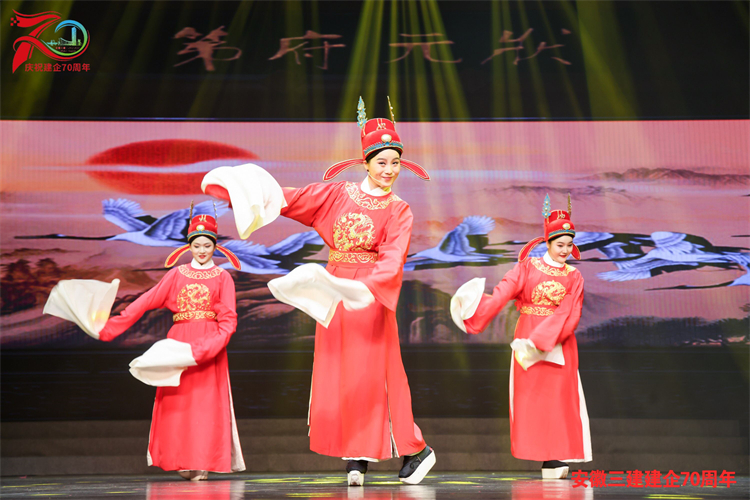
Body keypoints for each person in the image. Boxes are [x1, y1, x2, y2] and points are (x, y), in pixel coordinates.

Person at [201, 97, 436, 486]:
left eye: (395, 163)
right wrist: (240, 191)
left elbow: (393, 259)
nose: (389, 170)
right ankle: (355, 455)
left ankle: (415, 449)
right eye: (382, 162)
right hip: (333, 290)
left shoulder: (399, 209)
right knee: (339, 372)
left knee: (372, 375)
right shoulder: (338, 194)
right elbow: (289, 199)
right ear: (366, 162)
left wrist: (367, 289)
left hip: (367, 293)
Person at [44, 207, 246, 480]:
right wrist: (109, 328)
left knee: (206, 404)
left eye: (207, 246)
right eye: (196, 245)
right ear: (189, 245)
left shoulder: (223, 278)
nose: (201, 251)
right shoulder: (176, 274)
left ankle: (203, 462)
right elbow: (145, 302)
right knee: (179, 403)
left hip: (208, 346)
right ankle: (181, 459)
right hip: (178, 345)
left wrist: (207, 348)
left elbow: (229, 321)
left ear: (215, 246)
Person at [450, 194, 592, 479]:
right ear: (548, 242)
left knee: (560, 399)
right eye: (560, 245)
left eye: (569, 245)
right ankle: (543, 455)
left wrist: (545, 338)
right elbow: (502, 292)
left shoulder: (574, 277)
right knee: (532, 399)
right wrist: (475, 312)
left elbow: (571, 313)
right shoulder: (527, 267)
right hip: (527, 338)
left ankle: (555, 457)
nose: (565, 250)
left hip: (559, 341)